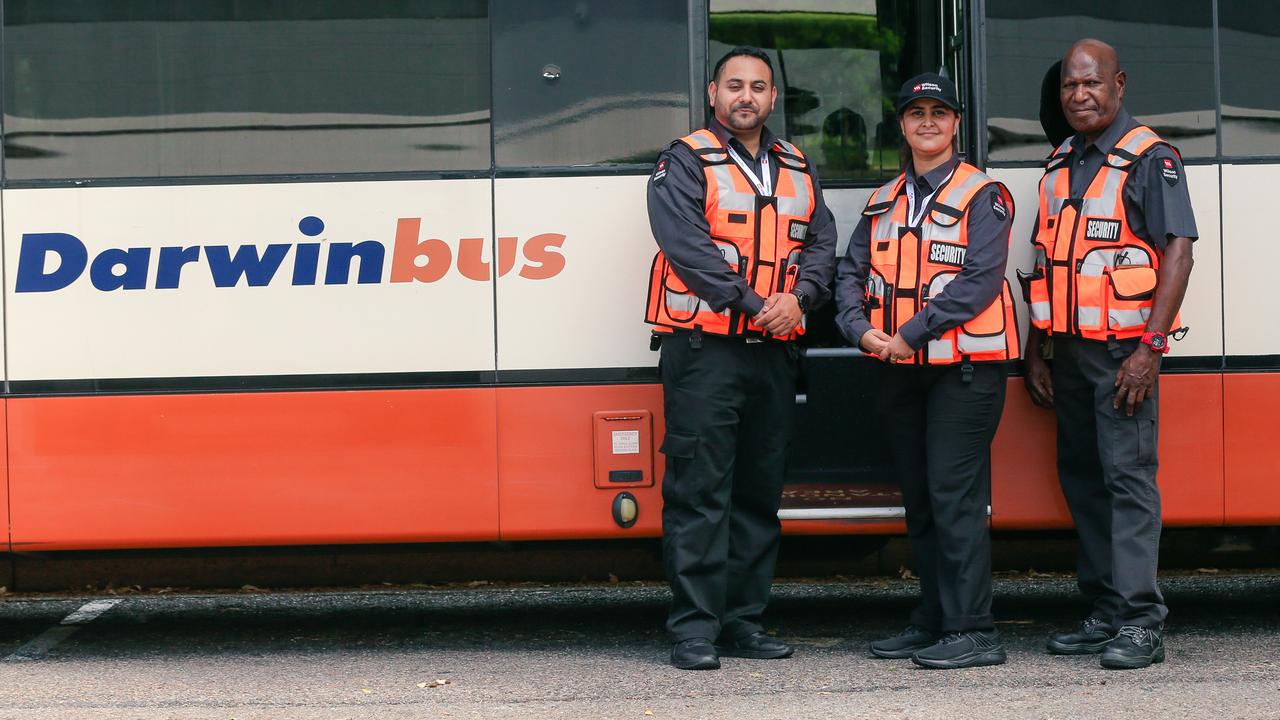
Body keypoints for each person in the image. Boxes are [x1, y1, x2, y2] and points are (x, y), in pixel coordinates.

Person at [645, 46, 836, 671]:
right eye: (735, 85)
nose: (746, 96)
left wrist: (801, 298)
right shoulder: (684, 160)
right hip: (706, 354)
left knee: (758, 492)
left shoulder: (796, 163)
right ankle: (695, 629)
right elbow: (687, 249)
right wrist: (757, 303)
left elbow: (821, 242)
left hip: (774, 353)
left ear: (773, 98)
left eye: (758, 86)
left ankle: (745, 621)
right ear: (713, 93)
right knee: (700, 490)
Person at [834, 73, 1019, 669]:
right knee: (920, 498)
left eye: (940, 112)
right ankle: (934, 619)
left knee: (953, 495)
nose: (928, 122)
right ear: (904, 125)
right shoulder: (882, 200)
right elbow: (848, 275)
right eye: (917, 113)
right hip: (898, 370)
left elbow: (978, 284)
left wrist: (906, 337)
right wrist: (859, 330)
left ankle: (976, 630)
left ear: (957, 124)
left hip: (964, 372)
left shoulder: (984, 195)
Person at [1022, 39, 1196, 670]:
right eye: (1069, 86)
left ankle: (1141, 619)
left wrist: (1150, 348)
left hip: (1124, 355)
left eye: (1091, 84)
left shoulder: (1152, 159)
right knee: (1086, 481)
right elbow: (1047, 263)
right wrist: (1036, 353)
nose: (1079, 96)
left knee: (1127, 483)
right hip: (1067, 354)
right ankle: (1102, 610)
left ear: (1118, 84)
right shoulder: (1061, 162)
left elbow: (1178, 252)